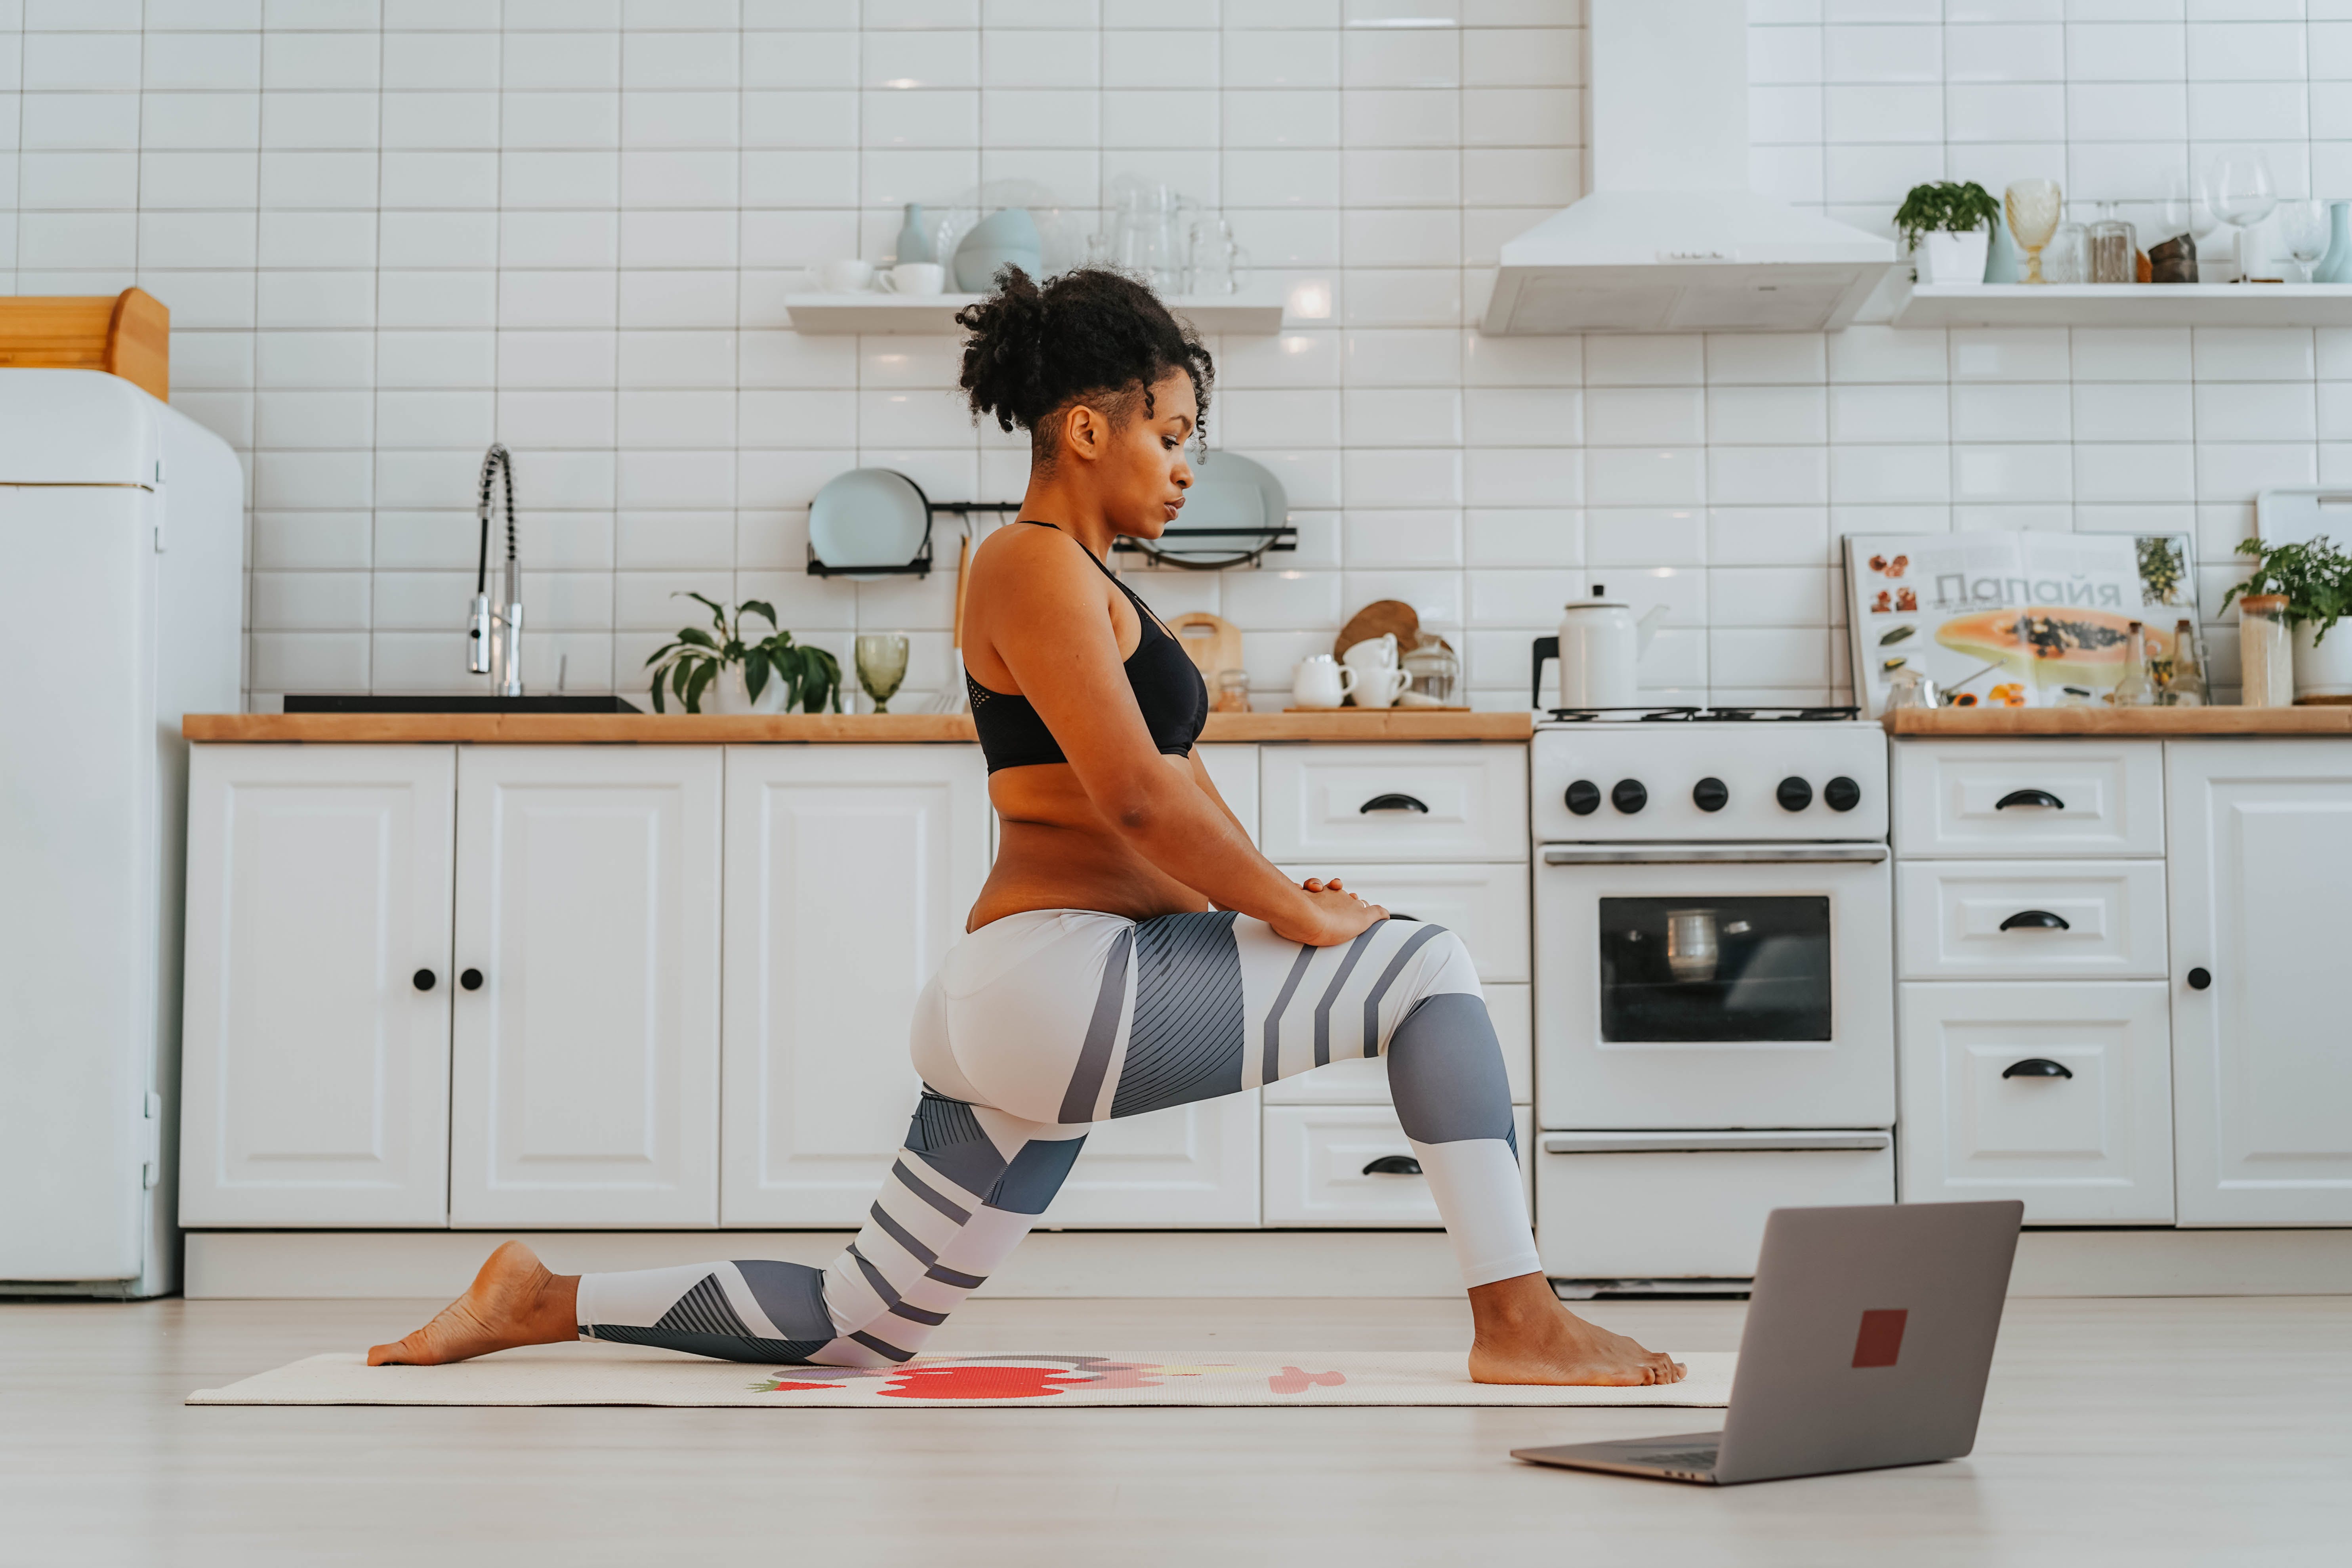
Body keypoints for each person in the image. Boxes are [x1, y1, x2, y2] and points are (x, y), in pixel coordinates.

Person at [369, 267, 1684, 1387]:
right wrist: (1291, 915)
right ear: (1085, 428)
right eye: (1172, 433)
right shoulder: (1026, 559)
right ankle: (1515, 1319)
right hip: (1056, 983)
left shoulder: (1090, 582)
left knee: (859, 1326)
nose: (1184, 466)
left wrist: (1273, 897)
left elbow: (1165, 779)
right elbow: (1129, 795)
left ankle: (541, 1298)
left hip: (1031, 997)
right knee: (1430, 969)